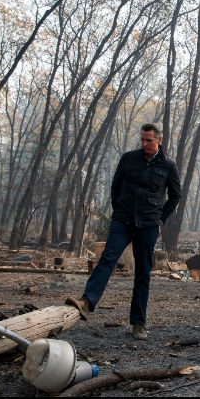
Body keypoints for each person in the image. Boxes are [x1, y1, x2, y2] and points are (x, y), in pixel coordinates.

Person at [66, 123, 181, 340]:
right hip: (123, 220)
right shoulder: (129, 159)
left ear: (159, 140)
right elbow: (115, 186)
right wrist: (119, 209)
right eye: (142, 140)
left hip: (148, 224)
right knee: (108, 258)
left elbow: (175, 195)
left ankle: (138, 323)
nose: (145, 143)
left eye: (149, 140)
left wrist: (160, 219)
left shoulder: (168, 166)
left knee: (143, 272)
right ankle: (87, 302)